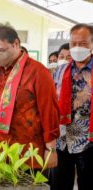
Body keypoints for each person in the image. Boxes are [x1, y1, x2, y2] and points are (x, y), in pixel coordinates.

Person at [0, 23, 60, 169]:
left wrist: (51, 149)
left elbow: (49, 112)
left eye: (2, 50)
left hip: (27, 154)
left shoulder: (37, 72)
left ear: (16, 44)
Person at [55, 23, 93, 190]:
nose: (77, 48)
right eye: (73, 43)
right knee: (59, 185)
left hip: (89, 141)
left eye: (83, 43)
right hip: (62, 140)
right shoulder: (59, 70)